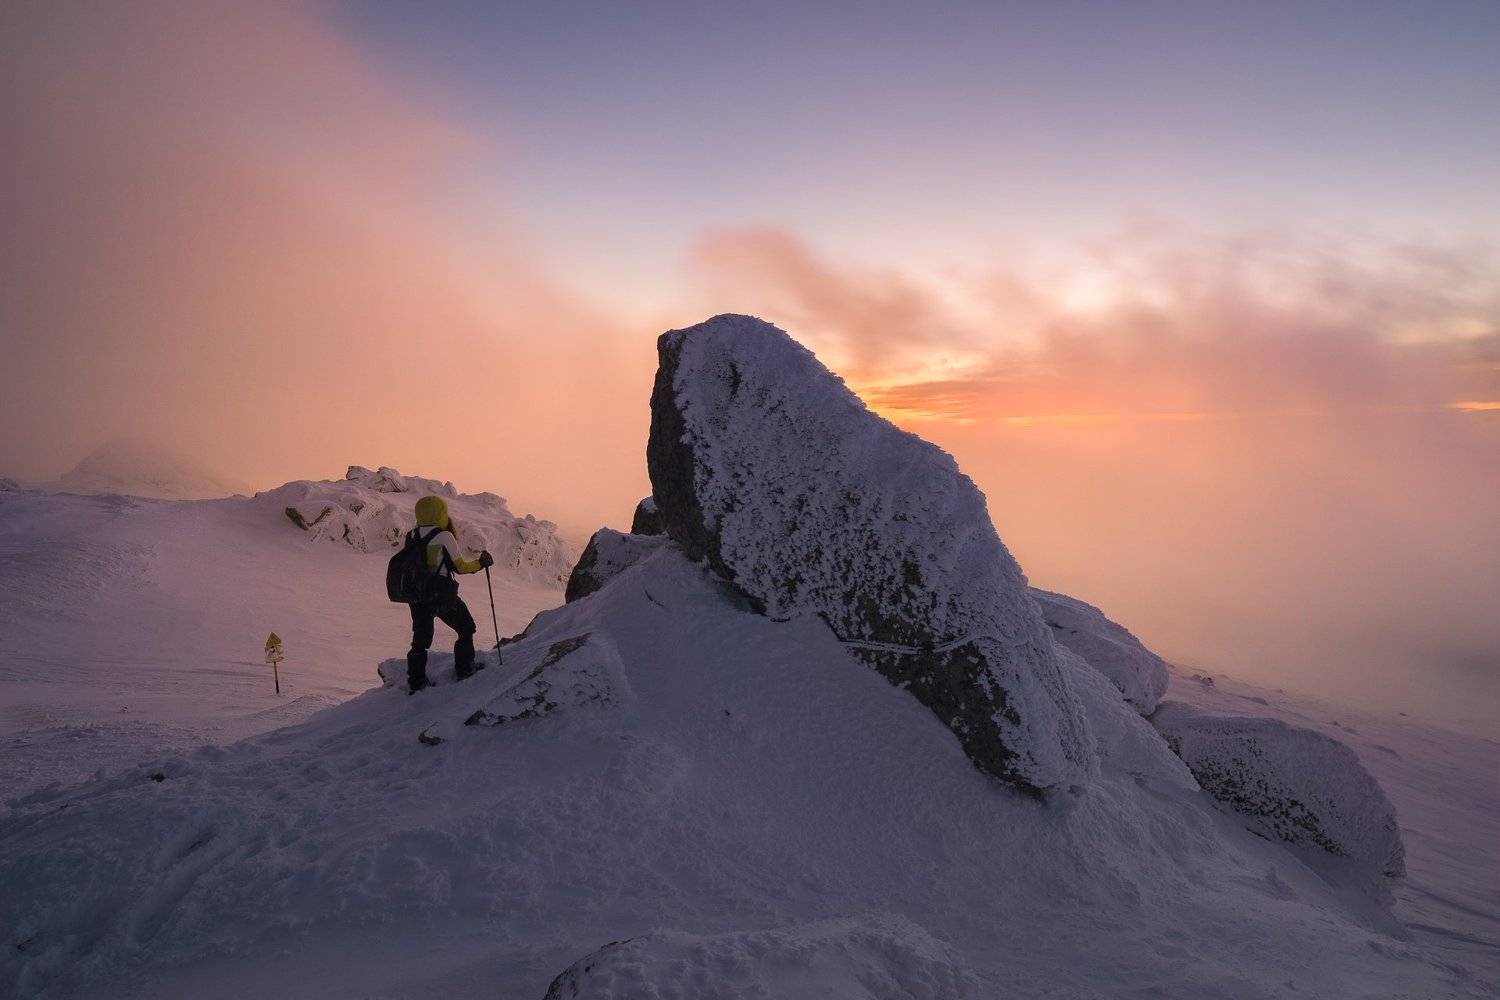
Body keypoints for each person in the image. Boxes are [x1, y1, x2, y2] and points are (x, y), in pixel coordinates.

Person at [405, 494, 493, 692]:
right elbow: (459, 567)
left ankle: (416, 682)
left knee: (420, 640)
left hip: (417, 595)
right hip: (441, 593)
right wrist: (482, 563)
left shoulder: (411, 535)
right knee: (466, 628)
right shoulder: (444, 536)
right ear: (441, 512)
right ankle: (465, 669)